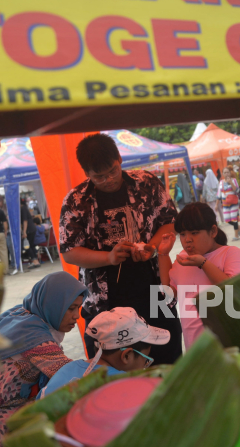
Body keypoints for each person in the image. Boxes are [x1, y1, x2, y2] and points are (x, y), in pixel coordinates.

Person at [59, 134, 183, 365]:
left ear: (119, 158)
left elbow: (169, 222)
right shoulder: (76, 201)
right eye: (99, 177)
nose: (108, 180)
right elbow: (69, 251)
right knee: (113, 370)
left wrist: (151, 248)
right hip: (105, 301)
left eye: (113, 171)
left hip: (156, 291)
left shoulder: (146, 183)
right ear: (86, 173)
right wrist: (109, 257)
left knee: (168, 355)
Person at [0, 273, 87, 447]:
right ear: (54, 304)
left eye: (79, 308)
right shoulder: (35, 339)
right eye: (71, 308)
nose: (77, 316)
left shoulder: (19, 315)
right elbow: (72, 377)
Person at [158, 203, 240, 349]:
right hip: (195, 345)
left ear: (213, 231)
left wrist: (203, 264)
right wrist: (163, 255)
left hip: (228, 344)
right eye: (182, 234)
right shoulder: (182, 259)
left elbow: (234, 291)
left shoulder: (230, 253)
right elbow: (170, 294)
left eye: (194, 233)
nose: (187, 239)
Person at [40, 307, 170, 397]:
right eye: (146, 360)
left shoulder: (66, 369)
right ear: (127, 356)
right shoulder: (127, 387)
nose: (145, 366)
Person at [215, 166, 240, 240]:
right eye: (225, 172)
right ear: (222, 174)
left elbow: (237, 191)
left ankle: (236, 235)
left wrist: (231, 183)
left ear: (230, 173)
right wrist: (217, 205)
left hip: (234, 203)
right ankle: (238, 227)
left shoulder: (234, 180)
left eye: (227, 172)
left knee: (234, 218)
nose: (226, 174)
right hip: (225, 204)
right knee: (227, 220)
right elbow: (218, 194)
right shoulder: (221, 182)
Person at [21, 197, 39, 267]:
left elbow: (25, 221)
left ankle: (35, 261)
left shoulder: (22, 209)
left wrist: (24, 232)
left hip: (29, 230)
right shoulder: (25, 208)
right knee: (31, 246)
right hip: (32, 229)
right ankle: (36, 261)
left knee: (27, 246)